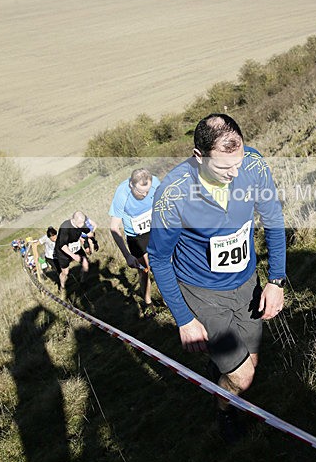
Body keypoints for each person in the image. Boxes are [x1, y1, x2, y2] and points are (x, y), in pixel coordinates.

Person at [148, 113, 286, 443]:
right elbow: (159, 258)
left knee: (251, 361)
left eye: (237, 163)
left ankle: (223, 378)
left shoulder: (252, 165)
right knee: (243, 377)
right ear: (199, 157)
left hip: (247, 283)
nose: (234, 173)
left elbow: (274, 219)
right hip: (203, 294)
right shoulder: (173, 195)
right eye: (224, 168)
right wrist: (184, 319)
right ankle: (224, 412)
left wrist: (276, 281)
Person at [109, 168, 160, 316]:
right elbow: (114, 227)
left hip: (154, 228)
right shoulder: (121, 194)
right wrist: (127, 256)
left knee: (162, 265)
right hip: (136, 236)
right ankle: (148, 301)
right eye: (140, 192)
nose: (145, 195)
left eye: (147, 191)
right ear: (131, 185)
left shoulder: (155, 182)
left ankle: (174, 298)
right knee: (144, 271)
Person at [53, 211, 90, 297]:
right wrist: (73, 256)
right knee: (65, 272)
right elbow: (62, 246)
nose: (82, 225)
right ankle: (62, 287)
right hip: (63, 252)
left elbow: (87, 233)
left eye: (83, 223)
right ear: (74, 220)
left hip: (76, 248)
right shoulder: (65, 227)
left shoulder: (81, 223)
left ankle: (82, 283)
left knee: (86, 264)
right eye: (80, 223)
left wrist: (87, 245)